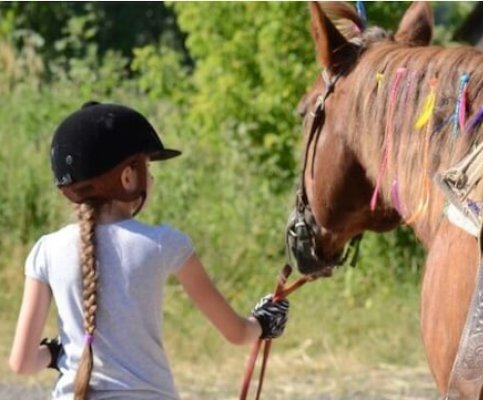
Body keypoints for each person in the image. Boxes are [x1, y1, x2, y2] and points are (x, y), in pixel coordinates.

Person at [8, 101, 290, 400]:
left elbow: (22, 363)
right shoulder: (164, 244)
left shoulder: (46, 250)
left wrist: (54, 353)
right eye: (148, 167)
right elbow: (237, 333)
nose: (151, 178)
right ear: (128, 176)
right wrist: (263, 322)